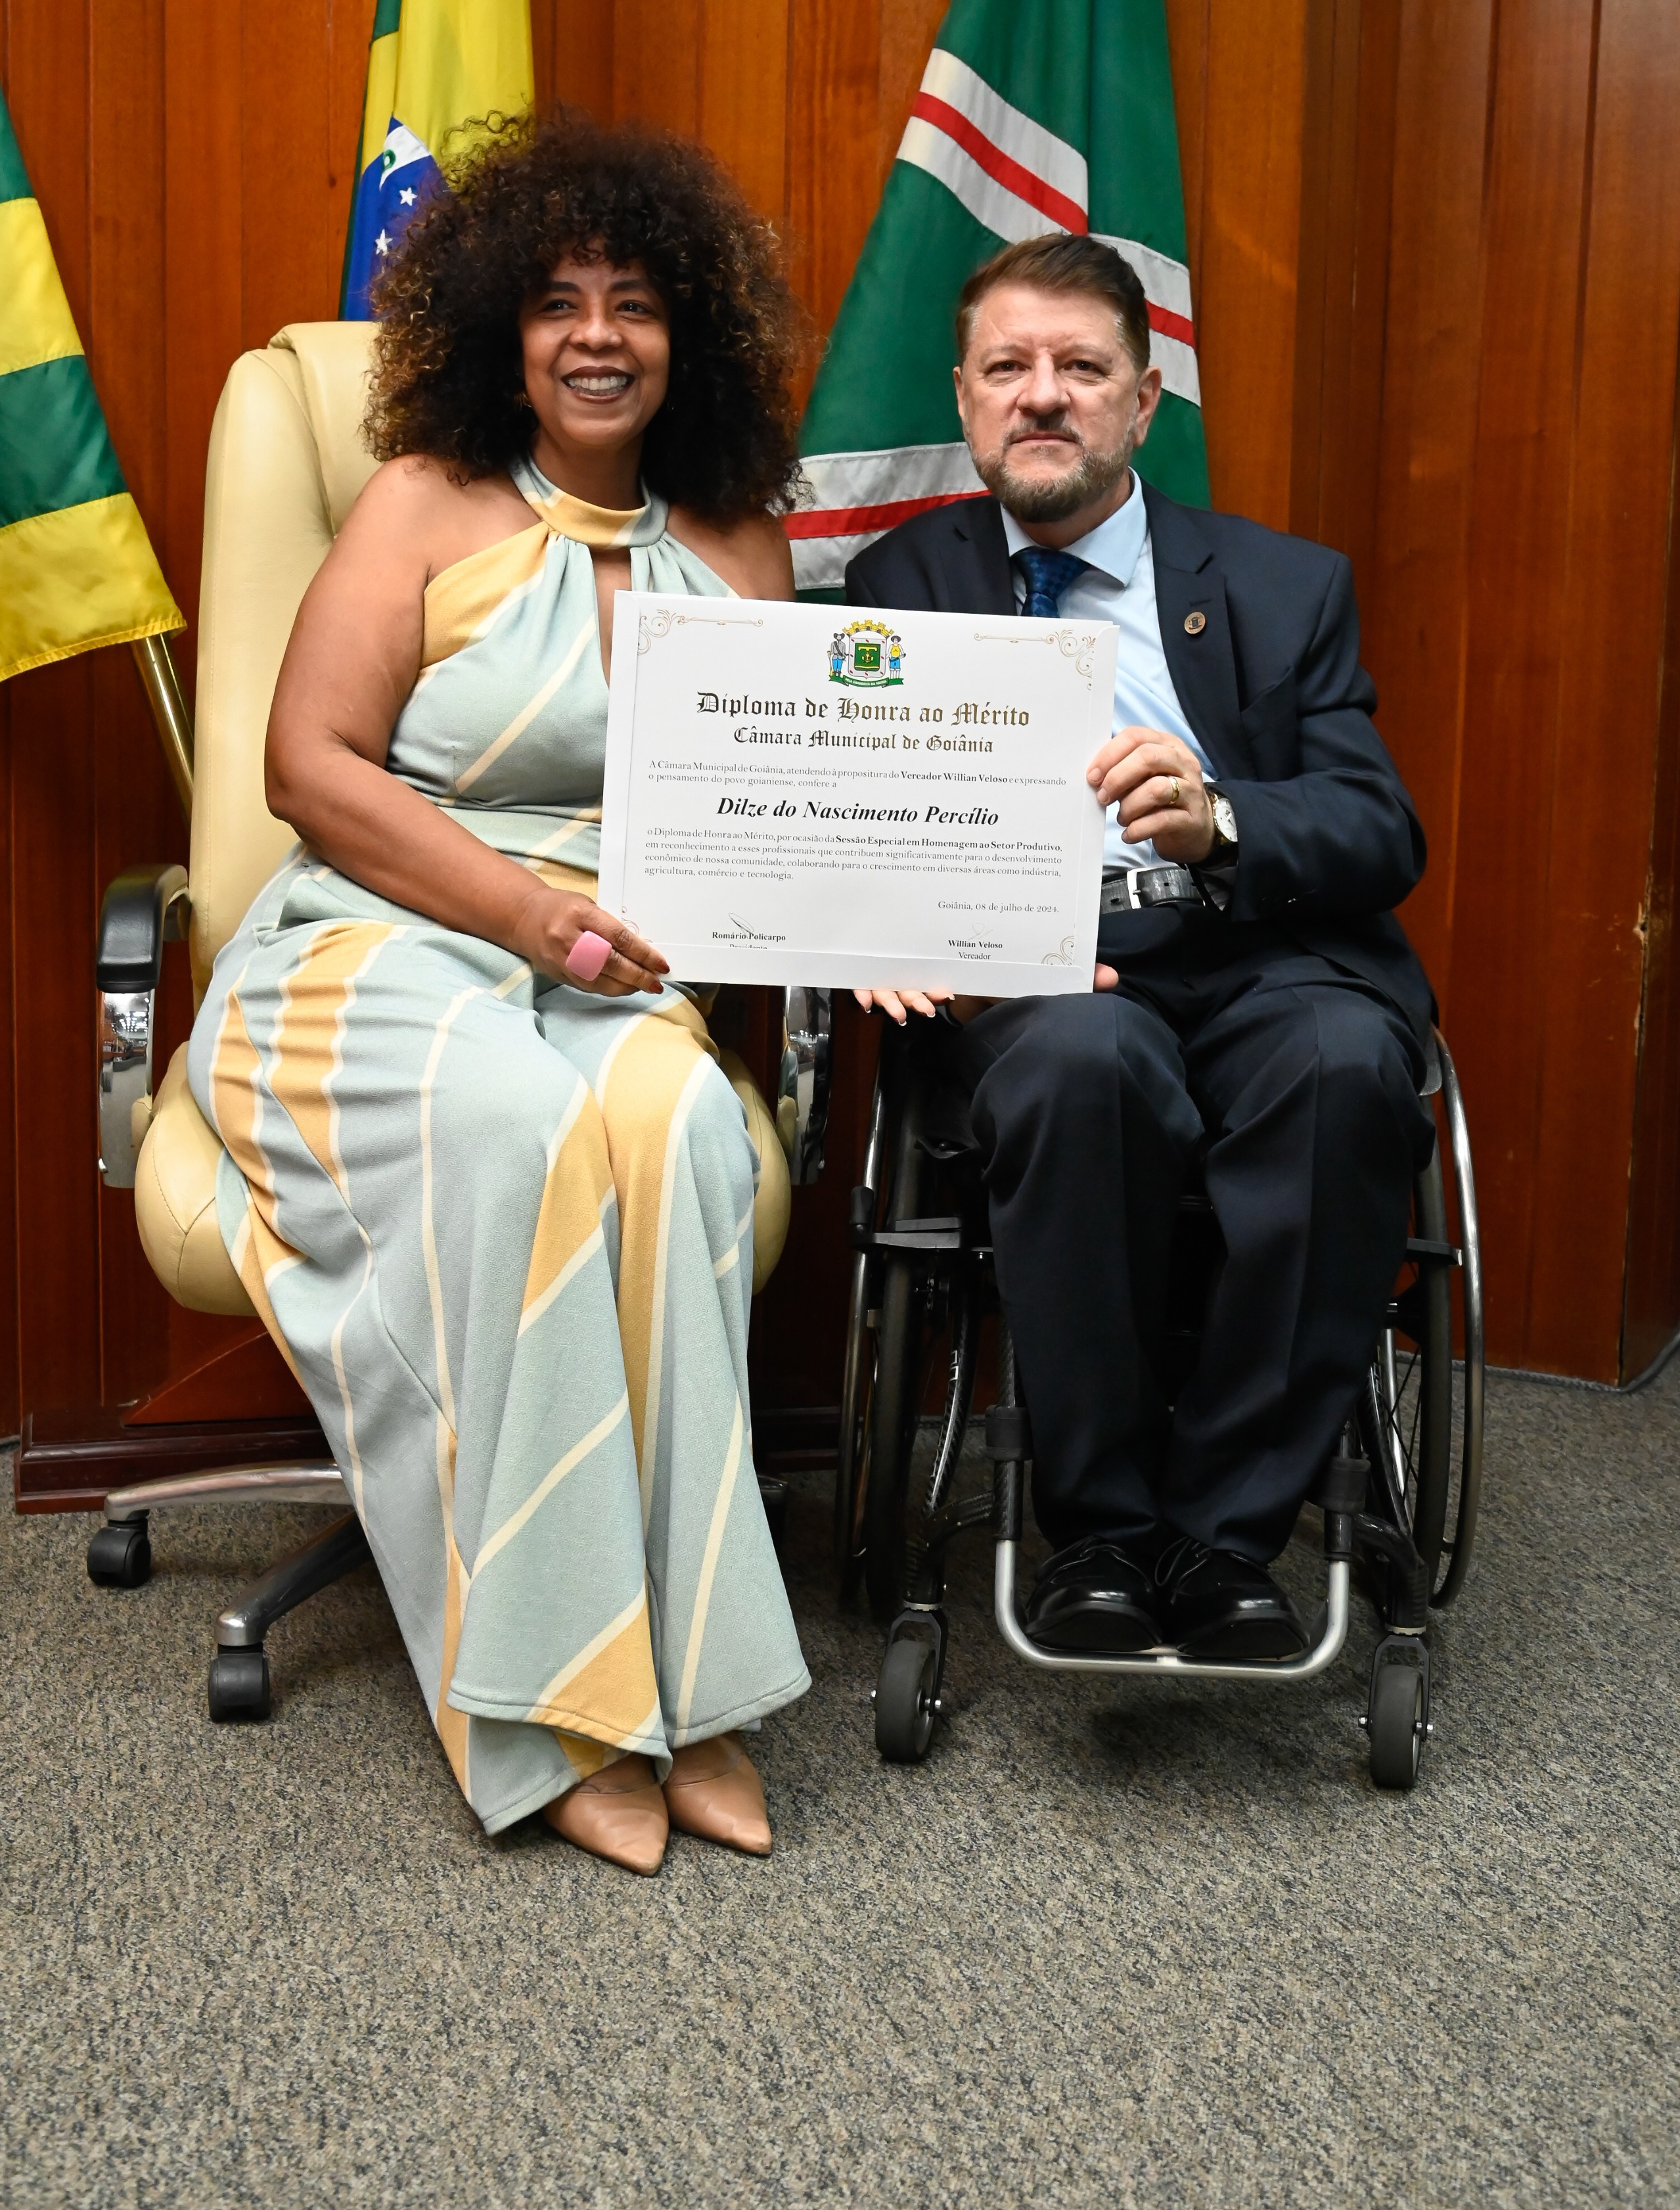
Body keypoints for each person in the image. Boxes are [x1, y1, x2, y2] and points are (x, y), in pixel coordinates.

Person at [187, 112, 811, 1870]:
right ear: (502, 334)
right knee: (526, 1123)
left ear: (688, 334)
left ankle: (694, 1685)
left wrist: (906, 928)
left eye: (636, 303)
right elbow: (308, 768)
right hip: (379, 935)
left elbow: (785, 812)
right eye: (557, 304)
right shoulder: (420, 501)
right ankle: (556, 1705)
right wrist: (529, 917)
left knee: (681, 1129)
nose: (597, 336)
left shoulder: (739, 544)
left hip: (616, 967)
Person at [844, 233, 1435, 1661]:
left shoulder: (1284, 585)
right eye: (1008, 367)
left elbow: (1379, 828)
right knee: (1082, 1065)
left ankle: (1226, 1540)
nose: (1043, 394)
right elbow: (848, 814)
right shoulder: (897, 582)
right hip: (1040, 972)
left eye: (1081, 367)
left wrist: (1222, 819)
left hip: (1262, 952)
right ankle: (1102, 1535)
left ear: (1144, 399)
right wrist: (874, 922)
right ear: (966, 397)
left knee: (1343, 1068)